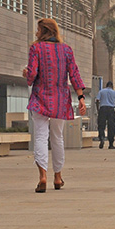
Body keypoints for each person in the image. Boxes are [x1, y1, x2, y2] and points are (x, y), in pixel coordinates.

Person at [22, 18, 86, 193]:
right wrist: (81, 97)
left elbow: (32, 74)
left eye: (37, 30)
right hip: (60, 99)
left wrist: (27, 73)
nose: (36, 33)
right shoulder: (66, 50)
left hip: (40, 98)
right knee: (57, 137)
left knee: (41, 137)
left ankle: (42, 176)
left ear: (42, 31)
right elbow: (74, 74)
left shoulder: (36, 48)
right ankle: (58, 177)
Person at [96, 81, 115, 149]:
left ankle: (101, 138)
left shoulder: (101, 91)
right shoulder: (114, 92)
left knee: (101, 125)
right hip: (111, 110)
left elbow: (97, 100)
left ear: (106, 85)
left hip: (103, 109)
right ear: (112, 86)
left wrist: (98, 110)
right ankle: (111, 144)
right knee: (111, 127)